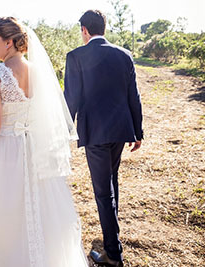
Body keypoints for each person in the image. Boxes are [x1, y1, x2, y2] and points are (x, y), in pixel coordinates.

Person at [0, 17, 88, 267]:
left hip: (3, 154)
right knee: (40, 214)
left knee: (3, 216)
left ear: (10, 42)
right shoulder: (39, 72)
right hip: (33, 150)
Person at [64, 10, 143, 267]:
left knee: (103, 191)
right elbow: (134, 95)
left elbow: (71, 98)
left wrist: (65, 129)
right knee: (111, 182)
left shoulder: (75, 56)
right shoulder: (124, 55)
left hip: (95, 131)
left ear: (85, 30)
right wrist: (138, 131)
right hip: (121, 129)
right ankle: (113, 236)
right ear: (104, 28)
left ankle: (113, 253)